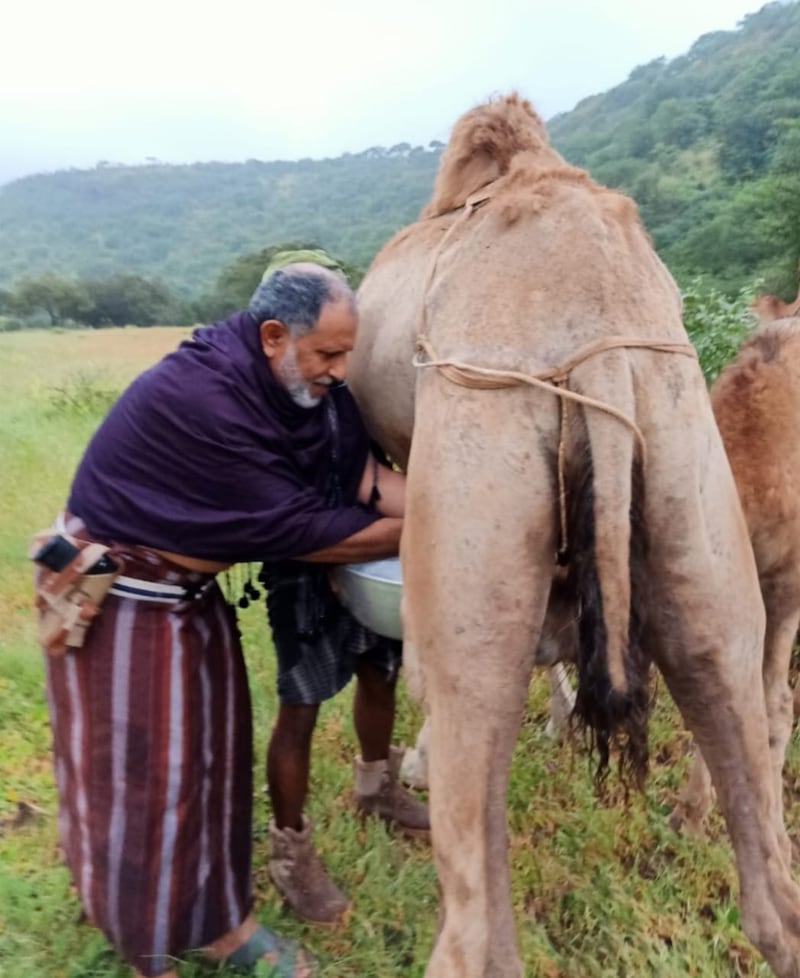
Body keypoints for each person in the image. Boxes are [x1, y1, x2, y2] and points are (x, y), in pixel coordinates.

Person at [35, 262, 426, 978]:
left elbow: (366, 483)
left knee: (210, 760)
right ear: (274, 335)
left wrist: (465, 501)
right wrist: (431, 526)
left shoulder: (306, 394)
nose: (342, 372)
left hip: (185, 598)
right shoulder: (208, 399)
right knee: (147, 770)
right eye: (328, 355)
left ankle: (199, 906)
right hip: (127, 600)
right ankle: (187, 935)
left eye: (348, 354)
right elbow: (308, 531)